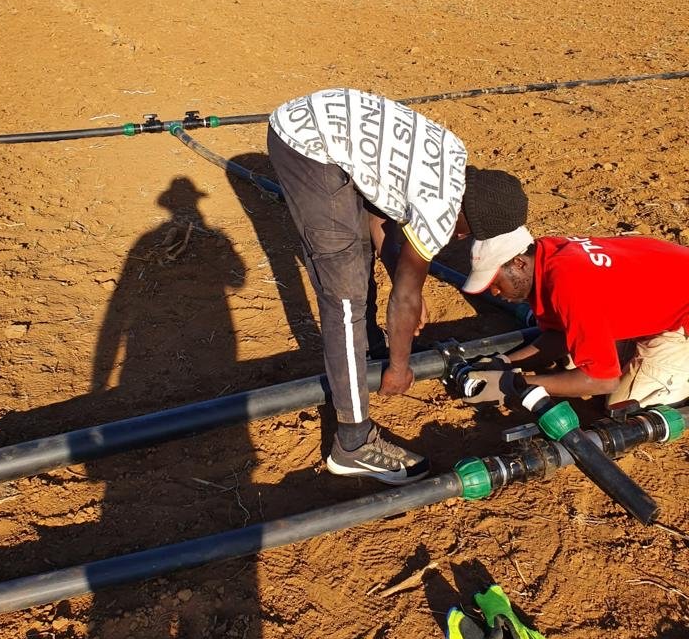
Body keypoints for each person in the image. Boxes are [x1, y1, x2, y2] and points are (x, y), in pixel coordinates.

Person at [267, 87, 529, 484]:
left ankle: (368, 349)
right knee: (343, 291)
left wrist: (404, 285)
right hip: (307, 144)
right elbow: (404, 296)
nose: (459, 240)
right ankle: (352, 444)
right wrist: (400, 367)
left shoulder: (453, 158)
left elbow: (381, 211)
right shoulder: (439, 210)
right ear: (466, 214)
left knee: (358, 257)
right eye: (467, 232)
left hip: (321, 122)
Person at [462, 229, 689, 407]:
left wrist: (511, 384)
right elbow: (561, 334)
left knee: (623, 404)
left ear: (519, 263)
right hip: (668, 298)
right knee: (572, 363)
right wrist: (505, 364)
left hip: (682, 321)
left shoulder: (570, 285)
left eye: (495, 282)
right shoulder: (547, 253)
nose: (494, 293)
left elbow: (602, 380)